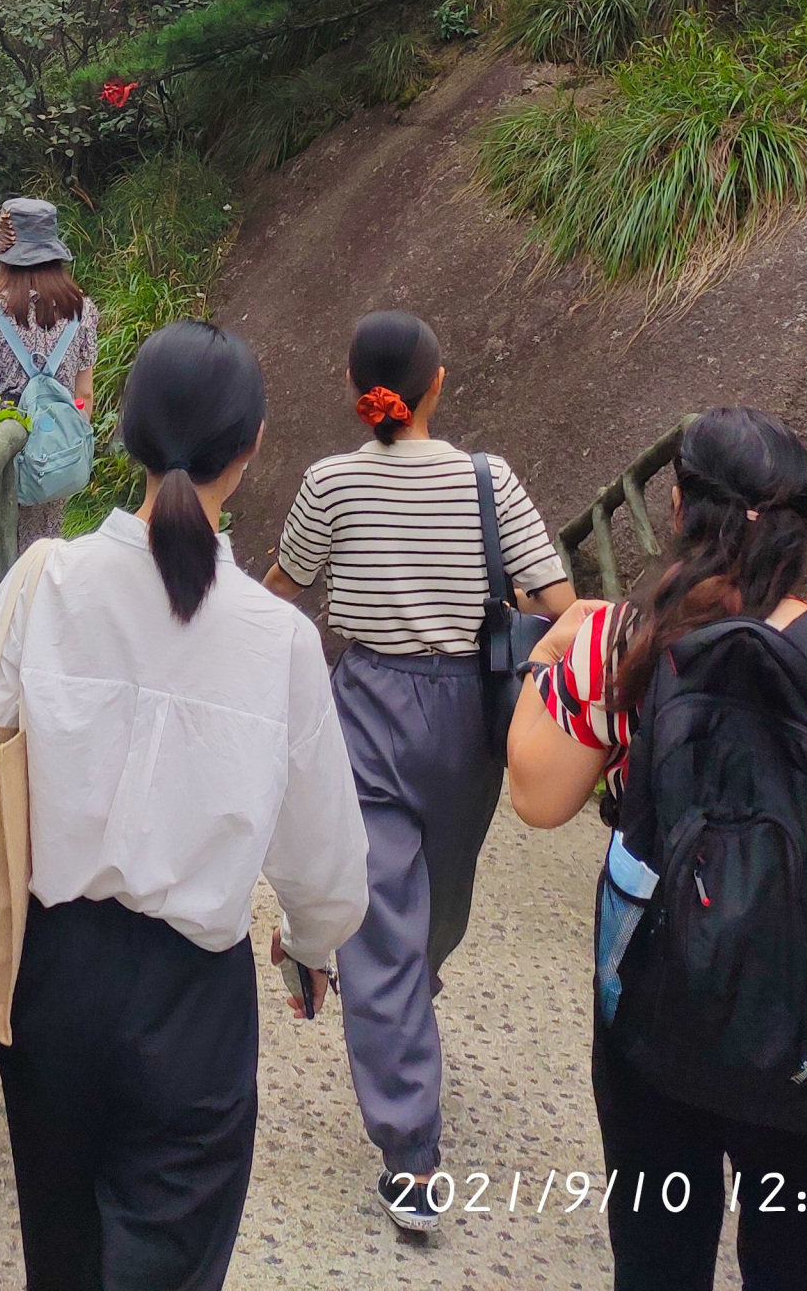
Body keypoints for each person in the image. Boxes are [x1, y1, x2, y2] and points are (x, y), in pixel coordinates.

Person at [0, 322, 368, 1291]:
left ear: (126, 431)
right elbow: (326, 863)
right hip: (191, 1003)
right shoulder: (281, 641)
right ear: (253, 444)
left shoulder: (41, 580)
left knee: (61, 1253)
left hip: (46, 977)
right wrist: (311, 942)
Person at [508, 407, 807, 1291]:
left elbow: (535, 797)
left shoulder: (622, 641)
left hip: (658, 1020)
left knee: (657, 1259)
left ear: (678, 508)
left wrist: (548, 662)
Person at [263, 309, 572, 1236]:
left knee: (406, 922)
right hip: (469, 722)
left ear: (357, 393)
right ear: (438, 384)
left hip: (364, 707)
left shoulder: (329, 484)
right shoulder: (491, 480)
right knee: (424, 912)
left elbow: (283, 589)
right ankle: (410, 1146)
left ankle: (393, 1001)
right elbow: (559, 603)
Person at [0, 198, 96, 546]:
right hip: (54, 450)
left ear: (4, 257)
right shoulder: (82, 309)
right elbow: (84, 393)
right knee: (42, 543)